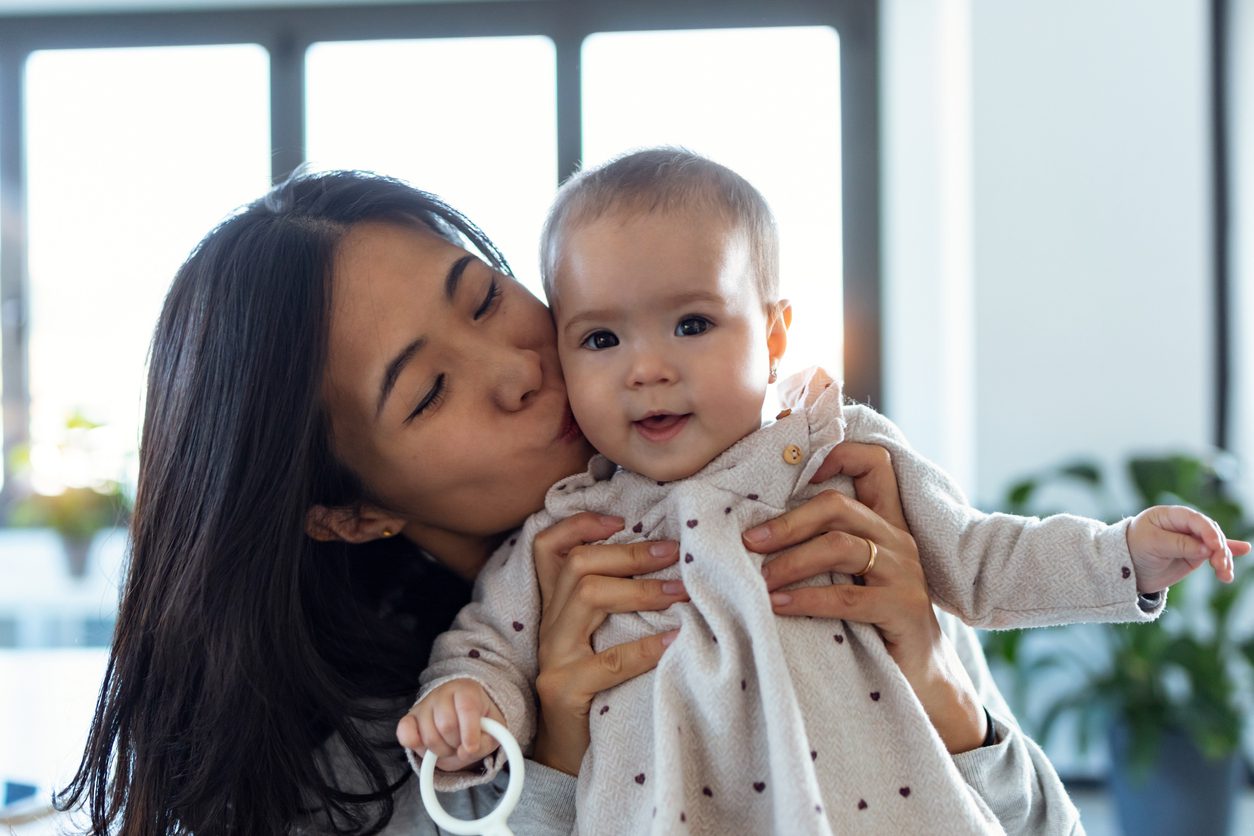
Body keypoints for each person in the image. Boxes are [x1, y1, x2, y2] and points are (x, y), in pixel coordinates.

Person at [60, 168, 1098, 835]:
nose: (517, 362)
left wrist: (929, 675)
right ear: (349, 510)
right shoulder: (372, 747)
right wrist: (550, 740)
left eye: (484, 296)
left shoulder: (783, 511)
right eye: (428, 390)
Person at [400, 149, 1248, 834]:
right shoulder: (567, 535)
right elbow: (484, 649)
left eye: (692, 324)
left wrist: (1120, 557)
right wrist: (465, 707)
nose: (646, 367)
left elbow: (983, 559)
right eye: (600, 337)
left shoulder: (839, 460)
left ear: (772, 335)